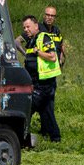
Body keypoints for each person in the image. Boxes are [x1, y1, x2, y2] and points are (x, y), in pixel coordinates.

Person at [15, 15, 61, 143]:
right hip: (36, 82)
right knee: (46, 111)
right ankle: (55, 138)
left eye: (28, 26)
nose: (26, 29)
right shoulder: (31, 40)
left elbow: (52, 57)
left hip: (44, 83)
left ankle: (20, 139)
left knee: (26, 109)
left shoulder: (43, 37)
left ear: (36, 26)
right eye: (24, 27)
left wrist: (38, 52)